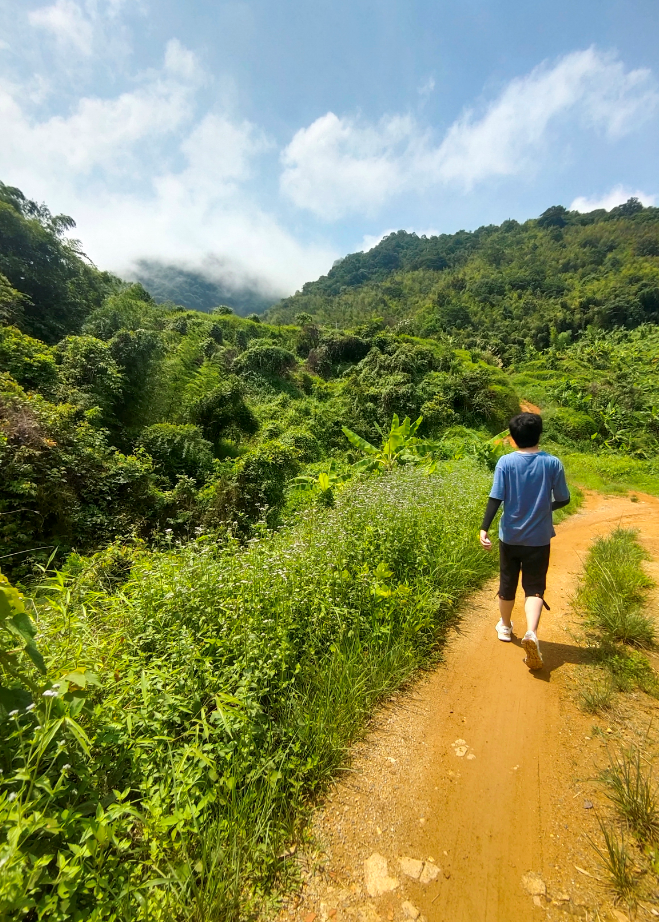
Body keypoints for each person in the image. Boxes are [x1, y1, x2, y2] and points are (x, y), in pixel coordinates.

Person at [479, 412, 570, 670]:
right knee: (534, 588)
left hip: (510, 536)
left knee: (507, 583)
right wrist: (545, 508)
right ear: (538, 435)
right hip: (539, 539)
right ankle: (531, 632)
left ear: (513, 438)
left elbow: (496, 498)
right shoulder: (552, 463)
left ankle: (505, 627)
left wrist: (484, 528)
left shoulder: (505, 462)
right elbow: (564, 499)